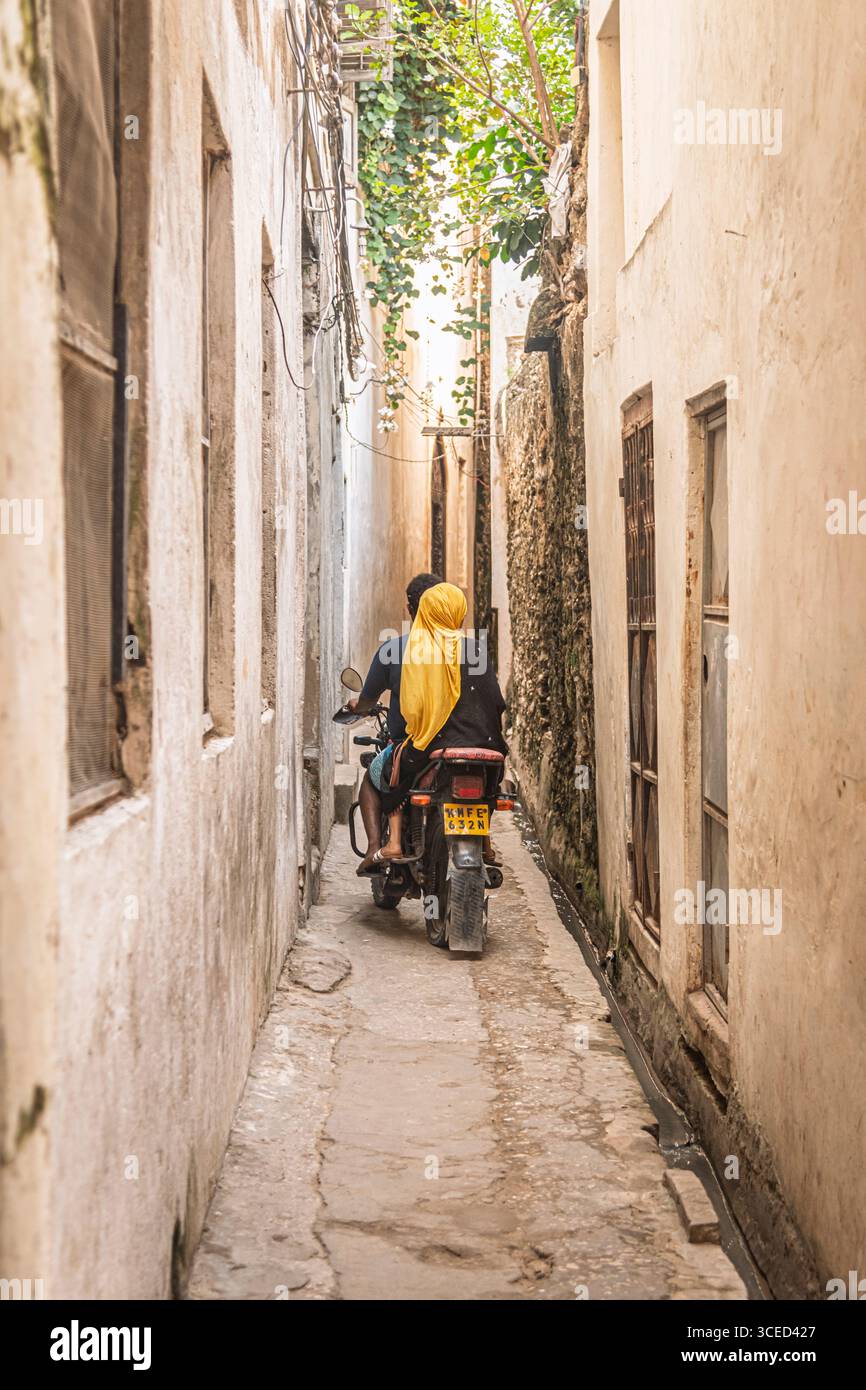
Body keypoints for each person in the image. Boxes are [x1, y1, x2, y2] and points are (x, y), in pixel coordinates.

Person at [376, 581, 507, 863]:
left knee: (391, 769)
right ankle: (484, 842)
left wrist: (419, 729)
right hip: (486, 744)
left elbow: (413, 707)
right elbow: (496, 701)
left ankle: (395, 842)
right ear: (458, 613)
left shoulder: (418, 652)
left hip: (434, 746)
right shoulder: (475, 649)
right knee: (491, 786)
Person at [348, 573, 442, 875]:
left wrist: (359, 707)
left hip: (411, 746)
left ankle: (376, 847)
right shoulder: (463, 650)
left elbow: (367, 699)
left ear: (409, 608)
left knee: (373, 778)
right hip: (453, 745)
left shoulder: (393, 650)